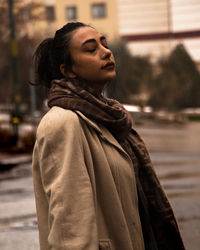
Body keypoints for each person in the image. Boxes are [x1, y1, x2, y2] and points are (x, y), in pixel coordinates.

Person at [32, 22, 185, 250]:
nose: (106, 52)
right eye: (91, 49)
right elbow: (70, 231)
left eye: (104, 45)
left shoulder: (107, 120)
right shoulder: (62, 123)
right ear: (68, 70)